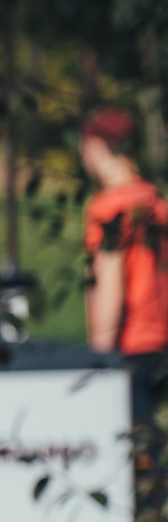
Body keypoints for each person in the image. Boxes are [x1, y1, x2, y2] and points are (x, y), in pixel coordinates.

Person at [81, 105, 168, 420]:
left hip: (128, 347)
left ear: (97, 145)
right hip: (161, 345)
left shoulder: (109, 209)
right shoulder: (156, 202)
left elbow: (110, 284)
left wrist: (100, 357)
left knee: (131, 454)